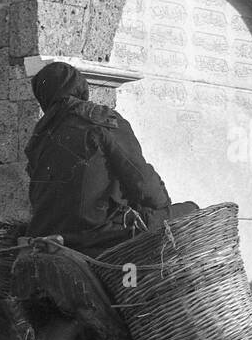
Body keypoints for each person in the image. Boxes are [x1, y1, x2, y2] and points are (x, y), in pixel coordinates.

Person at [24, 61, 173, 255]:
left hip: (44, 232)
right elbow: (141, 179)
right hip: (98, 232)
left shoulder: (37, 139)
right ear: (81, 89)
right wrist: (162, 208)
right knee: (186, 210)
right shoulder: (101, 119)